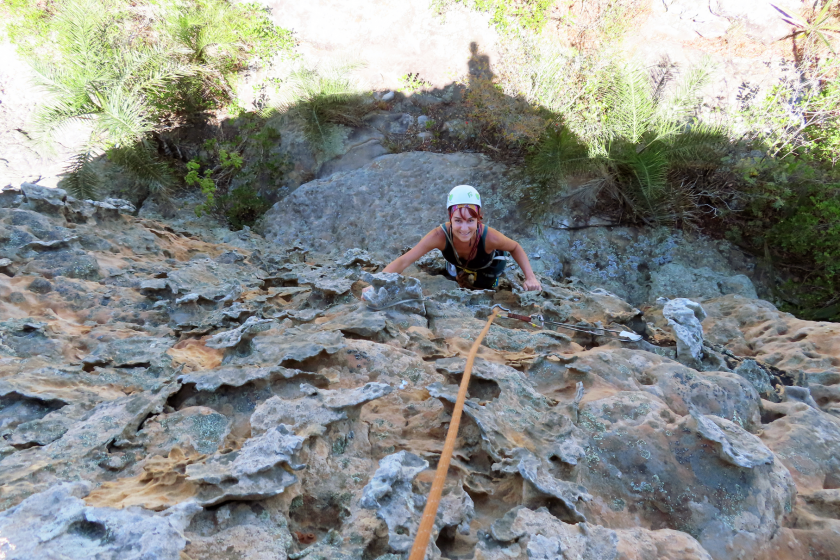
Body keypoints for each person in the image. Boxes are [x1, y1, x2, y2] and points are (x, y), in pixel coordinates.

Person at [369, 185, 542, 292]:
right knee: (454, 278)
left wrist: (530, 277)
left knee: (484, 286)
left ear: (479, 219)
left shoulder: (490, 237)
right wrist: (376, 284)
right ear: (450, 218)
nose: (464, 229)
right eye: (458, 221)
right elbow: (404, 261)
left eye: (470, 221)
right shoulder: (439, 236)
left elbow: (515, 247)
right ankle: (457, 269)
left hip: (489, 263)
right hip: (457, 260)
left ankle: (481, 277)